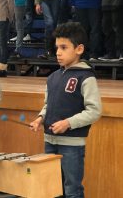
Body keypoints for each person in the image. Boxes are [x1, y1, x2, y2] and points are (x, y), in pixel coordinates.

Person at [30, 22, 102, 198]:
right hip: (50, 140)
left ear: (79, 49)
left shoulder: (86, 77)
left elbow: (94, 111)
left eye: (64, 47)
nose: (58, 52)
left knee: (72, 189)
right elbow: (48, 105)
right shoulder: (53, 77)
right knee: (52, 187)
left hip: (71, 145)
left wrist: (68, 123)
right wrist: (40, 118)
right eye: (56, 48)